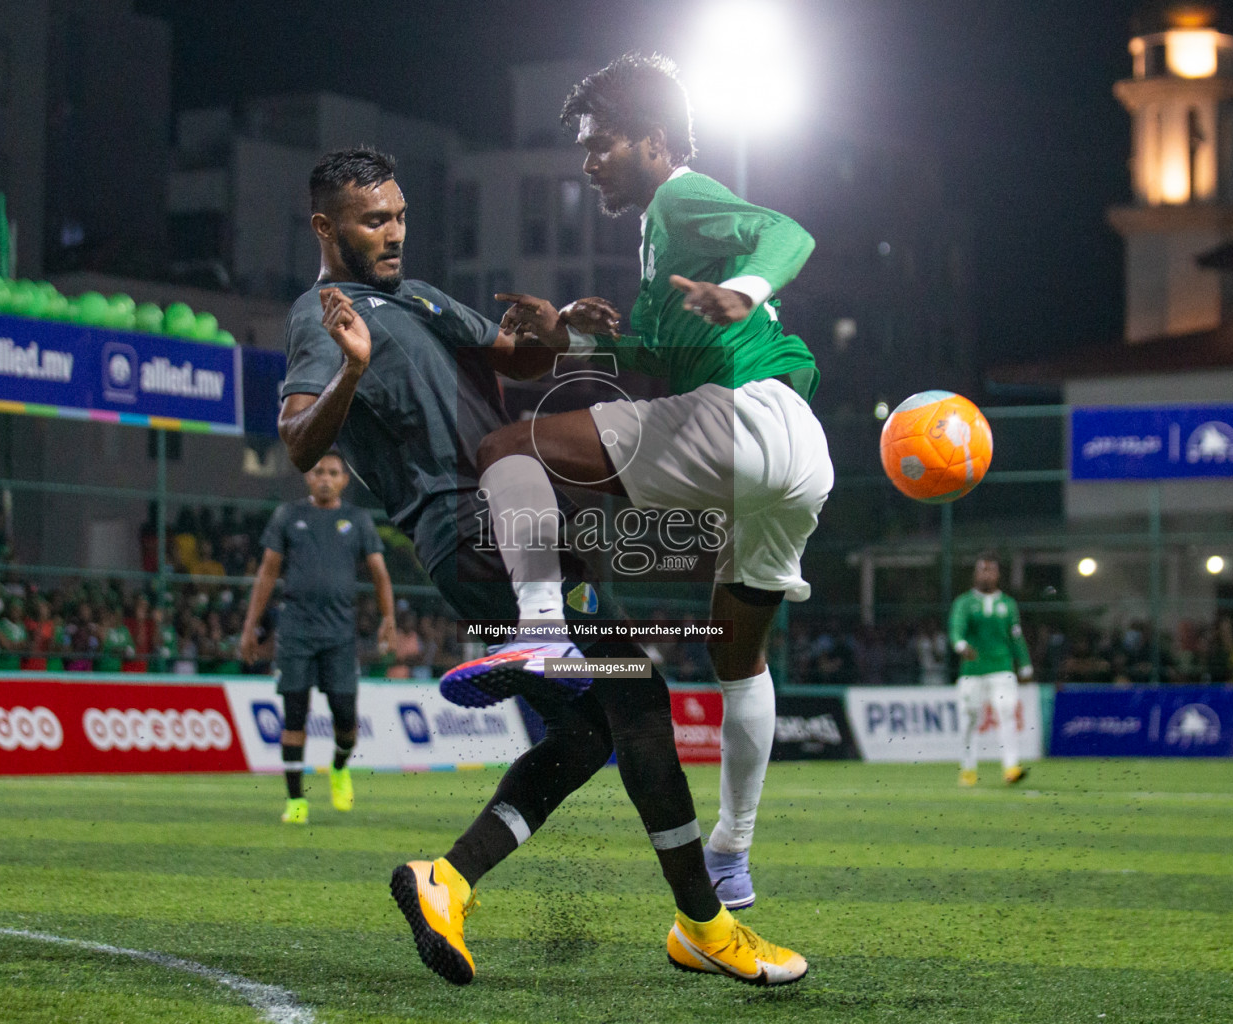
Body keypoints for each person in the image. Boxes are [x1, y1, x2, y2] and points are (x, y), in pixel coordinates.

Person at [277, 147, 805, 986]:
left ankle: (445, 881)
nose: (393, 232)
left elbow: (513, 355)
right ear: (324, 226)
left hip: (514, 519)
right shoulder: (324, 314)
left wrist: (565, 328)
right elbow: (302, 437)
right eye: (374, 220)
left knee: (593, 727)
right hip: (470, 526)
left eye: (400, 214)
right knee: (636, 693)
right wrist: (351, 366)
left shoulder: (413, 295)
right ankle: (705, 923)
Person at [439, 53, 833, 915]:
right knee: (739, 657)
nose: (589, 164)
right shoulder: (658, 239)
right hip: (799, 457)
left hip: (744, 423)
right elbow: (649, 356)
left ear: (654, 143)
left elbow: (789, 234)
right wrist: (569, 340)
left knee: (510, 447)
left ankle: (541, 631)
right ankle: (732, 853)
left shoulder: (682, 198)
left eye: (601, 145)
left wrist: (744, 286)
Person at [240, 452, 395, 823]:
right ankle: (296, 802)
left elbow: (379, 573)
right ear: (308, 478)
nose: (325, 477)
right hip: (295, 633)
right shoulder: (288, 516)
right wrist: (250, 624)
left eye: (333, 472)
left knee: (346, 720)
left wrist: (388, 617)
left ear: (344, 480)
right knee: (294, 716)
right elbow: (267, 572)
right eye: (318, 471)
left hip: (340, 636)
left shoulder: (358, 520)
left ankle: (339, 767)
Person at [949, 552, 1033, 786]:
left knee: (1006, 712)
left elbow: (1016, 636)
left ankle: (1011, 767)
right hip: (972, 669)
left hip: (1001, 666)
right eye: (983, 569)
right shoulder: (964, 602)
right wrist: (961, 645)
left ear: (997, 574)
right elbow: (956, 628)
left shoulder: (1007, 604)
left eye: (991, 570)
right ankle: (968, 770)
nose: (987, 574)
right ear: (976, 574)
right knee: (968, 720)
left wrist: (1024, 663)